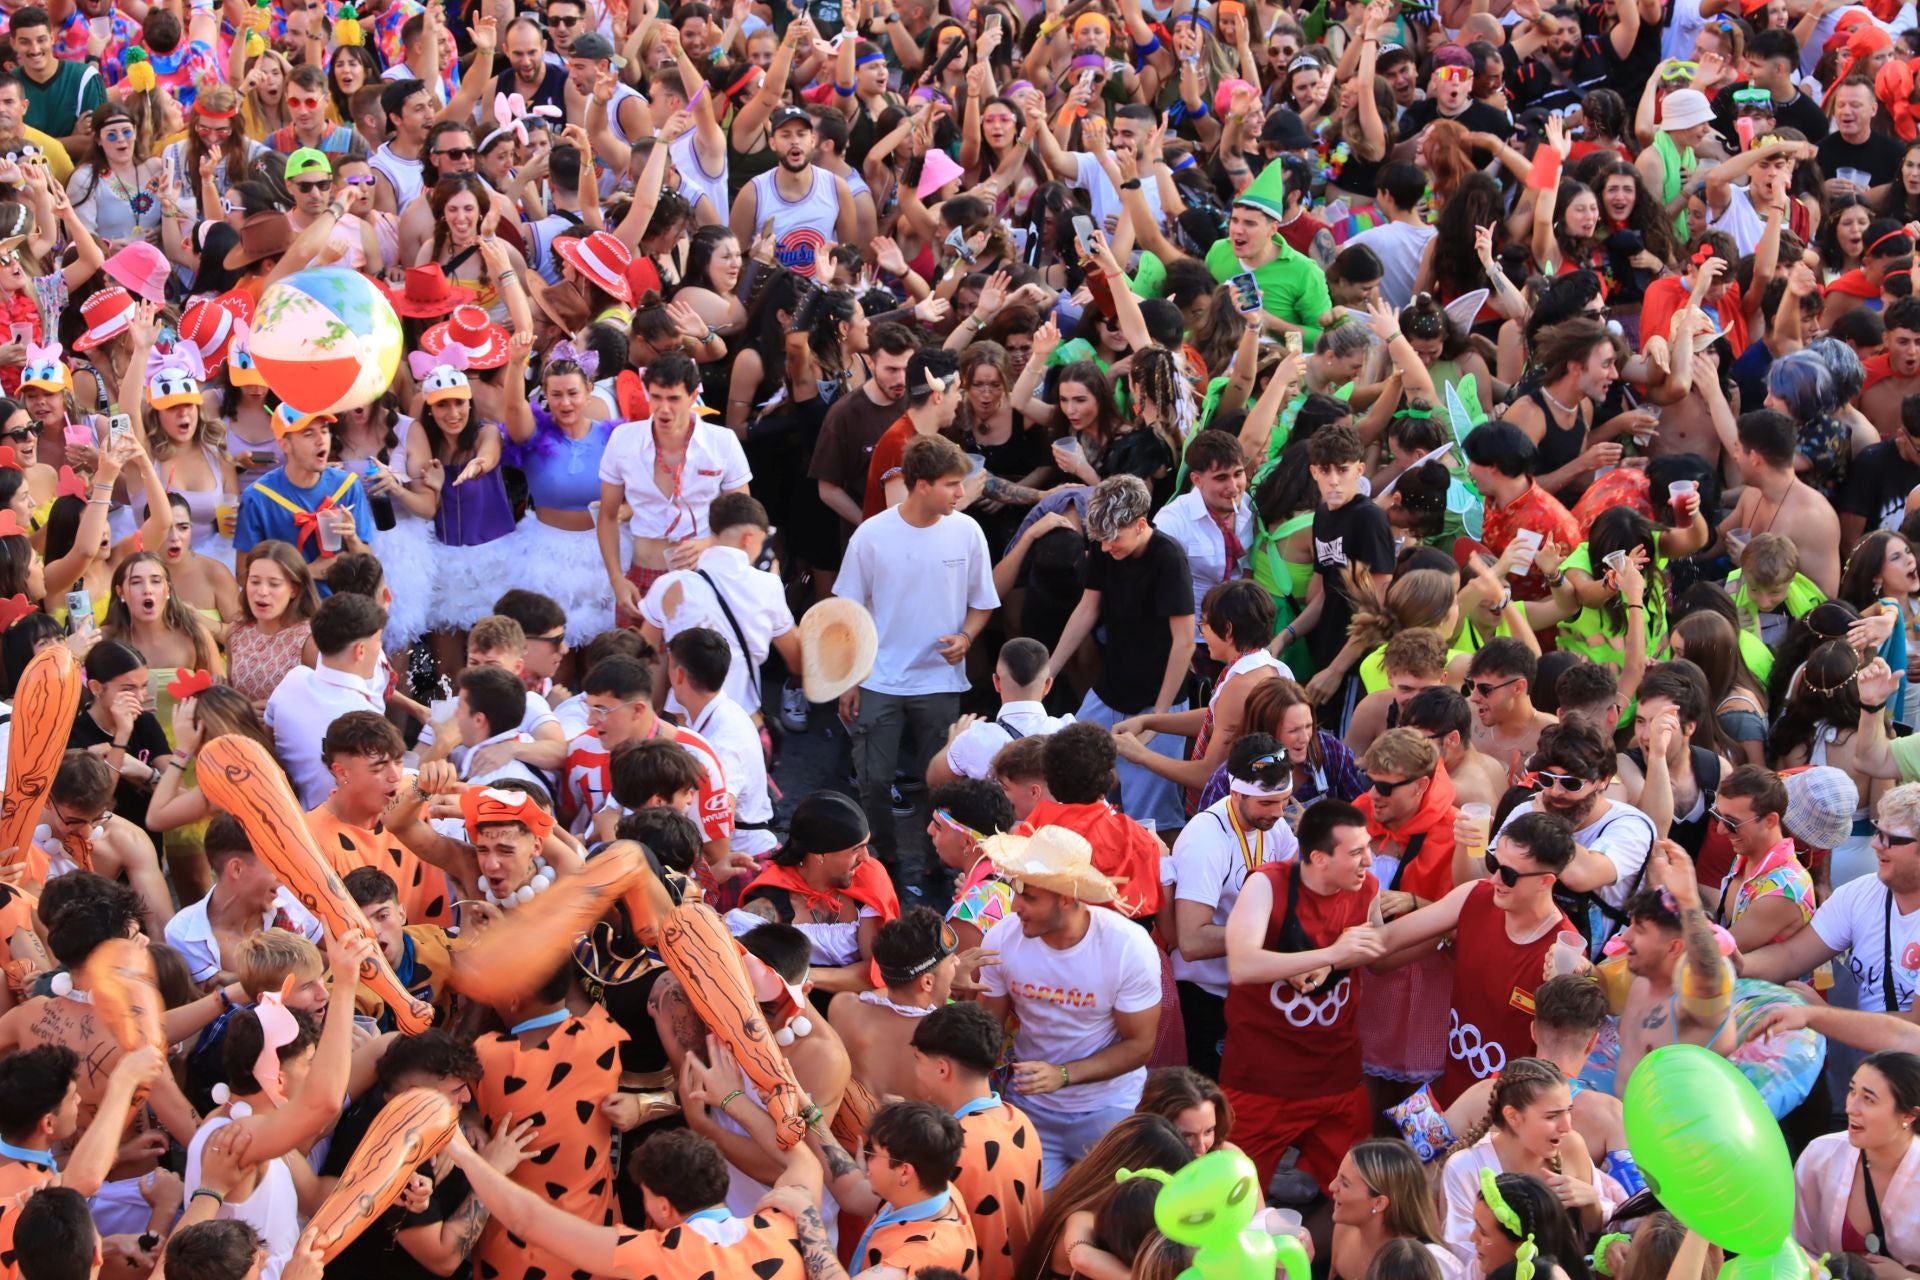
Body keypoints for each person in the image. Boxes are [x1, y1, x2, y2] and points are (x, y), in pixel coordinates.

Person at [833, 435, 998, 886]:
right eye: (951, 485)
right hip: (878, 680)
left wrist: (966, 636)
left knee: (943, 786)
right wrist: (850, 680)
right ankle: (878, 865)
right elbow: (849, 612)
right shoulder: (872, 536)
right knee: (873, 781)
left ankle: (939, 864)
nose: (961, 494)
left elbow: (983, 603)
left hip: (941, 683)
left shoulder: (968, 532)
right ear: (920, 485)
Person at [976, 825, 1162, 1190]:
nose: (1016, 907)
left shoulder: (1126, 946)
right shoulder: (1003, 938)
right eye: (1016, 892)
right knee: (1036, 1227)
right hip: (1031, 1109)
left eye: (1029, 897)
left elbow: (1140, 1046)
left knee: (1097, 1225)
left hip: (1108, 1109)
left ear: (1065, 897)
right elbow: (986, 1030)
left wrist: (1062, 1074)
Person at [1221, 797, 1382, 1194]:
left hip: (1338, 1080)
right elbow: (1241, 964)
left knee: (1366, 1196)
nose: (1370, 861)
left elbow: (1381, 952)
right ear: (1319, 858)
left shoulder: (1367, 889)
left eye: (1369, 847)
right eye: (1357, 852)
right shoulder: (1268, 883)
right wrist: (1332, 954)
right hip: (1261, 1082)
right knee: (1233, 1198)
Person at [1373, 812, 1583, 1107]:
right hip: (1445, 1093)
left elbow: (1559, 1068)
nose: (1495, 878)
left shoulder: (1562, 954)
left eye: (1508, 874)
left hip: (1502, 1115)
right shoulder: (1475, 895)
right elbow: (1387, 940)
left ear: (1545, 881)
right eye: (1494, 863)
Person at [1050, 474, 1196, 831]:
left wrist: (1158, 719)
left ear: (1141, 524)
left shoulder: (1169, 558)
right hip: (1110, 689)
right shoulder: (1106, 548)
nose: (1104, 548)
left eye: (1113, 539)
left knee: (1151, 819)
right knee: (1067, 763)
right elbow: (1087, 609)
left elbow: (1185, 642)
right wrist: (1049, 670)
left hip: (1158, 696)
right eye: (1098, 540)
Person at [1167, 734, 1300, 1077]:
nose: (1277, 813)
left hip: (1252, 987)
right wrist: (1266, 934)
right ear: (1236, 793)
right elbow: (1192, 942)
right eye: (1266, 803)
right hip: (1206, 994)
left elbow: (1297, 888)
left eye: (1283, 801)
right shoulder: (1206, 839)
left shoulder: (1276, 828)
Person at [1739, 781, 1920, 1018]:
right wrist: (1732, 965)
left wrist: (1824, 1015)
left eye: (1891, 838)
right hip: (1865, 1052)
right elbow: (1792, 955)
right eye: (1877, 831)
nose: (1875, 844)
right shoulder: (1859, 893)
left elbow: (1913, 1028)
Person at [1356, 728, 1466, 1115]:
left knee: (1412, 1104)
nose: (1374, 795)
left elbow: (1470, 915)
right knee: (1363, 1091)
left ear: (1421, 785)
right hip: (1363, 972)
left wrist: (1417, 901)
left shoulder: (1454, 833)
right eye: (1369, 782)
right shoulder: (1360, 813)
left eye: (1386, 788)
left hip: (1423, 980)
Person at [1495, 721, 1658, 957]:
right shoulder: (1529, 809)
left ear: (1603, 780)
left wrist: (1543, 822)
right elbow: (1488, 878)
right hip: (1524, 950)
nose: (1556, 792)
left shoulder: (1631, 825)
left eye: (1571, 783)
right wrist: (1464, 845)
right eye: (1548, 779)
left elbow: (1580, 875)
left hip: (1592, 971)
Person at [909, 1002, 1046, 1280]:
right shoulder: (1019, 1120)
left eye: (917, 1059)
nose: (914, 1070)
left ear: (942, 1069)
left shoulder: (947, 1148)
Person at [741, 791, 900, 993]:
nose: (866, 858)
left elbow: (877, 973)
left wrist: (801, 975)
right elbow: (742, 965)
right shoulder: (771, 901)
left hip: (858, 1005)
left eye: (866, 846)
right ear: (820, 854)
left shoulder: (869, 879)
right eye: (856, 849)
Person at [161, 814, 324, 988]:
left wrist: (238, 978)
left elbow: (332, 952)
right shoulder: (183, 933)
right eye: (274, 866)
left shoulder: (289, 899)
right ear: (237, 869)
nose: (283, 879)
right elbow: (217, 1002)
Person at [1791, 1051, 1920, 1268]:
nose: (1851, 1108)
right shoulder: (1821, 1154)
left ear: (1909, 1115)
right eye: (1852, 1091)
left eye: (1868, 1099)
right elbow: (1795, 1245)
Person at [262, 592, 389, 809]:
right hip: (339, 831)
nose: (379, 650)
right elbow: (385, 798)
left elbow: (266, 745)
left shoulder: (293, 680)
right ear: (360, 650)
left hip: (290, 813)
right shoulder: (366, 718)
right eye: (378, 641)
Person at [827, 906, 958, 1103]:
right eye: (951, 962)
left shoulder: (843, 1008)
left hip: (849, 1130)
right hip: (912, 1133)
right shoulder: (947, 1040)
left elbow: (890, 993)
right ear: (927, 982)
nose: (958, 962)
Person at [927, 637, 1073, 788]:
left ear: (996, 682)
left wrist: (953, 742)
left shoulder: (973, 737)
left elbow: (935, 781)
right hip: (1054, 812)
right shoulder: (1070, 731)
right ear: (1048, 685)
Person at [1706, 764, 1816, 951]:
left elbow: (1717, 952)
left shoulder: (1783, 890)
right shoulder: (1746, 854)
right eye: (1718, 817)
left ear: (1770, 821)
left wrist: (1686, 898)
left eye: (1731, 823)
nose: (1720, 830)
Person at [1330, 1140, 1461, 1280]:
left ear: (1379, 1202)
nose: (1332, 1187)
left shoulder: (1427, 1261)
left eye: (1345, 1183)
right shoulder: (1344, 1229)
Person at [1405, 686, 1508, 811]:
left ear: (1452, 739)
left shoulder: (1454, 789)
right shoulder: (1491, 764)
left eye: (1419, 740)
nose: (1409, 746)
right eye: (1406, 736)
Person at [1467, 639, 1557, 766]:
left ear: (1518, 688)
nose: (1473, 697)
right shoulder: (1466, 715)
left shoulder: (1553, 738)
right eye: (1471, 685)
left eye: (1484, 689)